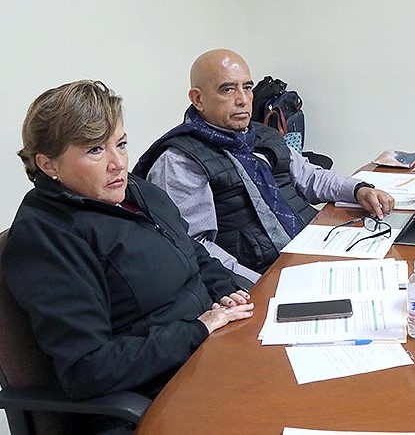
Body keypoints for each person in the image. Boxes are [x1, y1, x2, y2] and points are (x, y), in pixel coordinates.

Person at [3, 81, 255, 433]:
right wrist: (197, 329)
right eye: (95, 150)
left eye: (120, 144)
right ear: (48, 164)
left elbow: (192, 252)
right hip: (154, 398)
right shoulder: (46, 238)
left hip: (208, 355)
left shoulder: (133, 191)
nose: (118, 163)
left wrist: (227, 291)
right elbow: (88, 369)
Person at [133, 49, 394, 284]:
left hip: (310, 248)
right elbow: (197, 248)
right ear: (198, 99)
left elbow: (310, 177)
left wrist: (358, 189)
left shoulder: (259, 134)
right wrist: (262, 286)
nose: (243, 100)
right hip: (260, 276)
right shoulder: (181, 160)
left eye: (247, 87)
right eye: (228, 90)